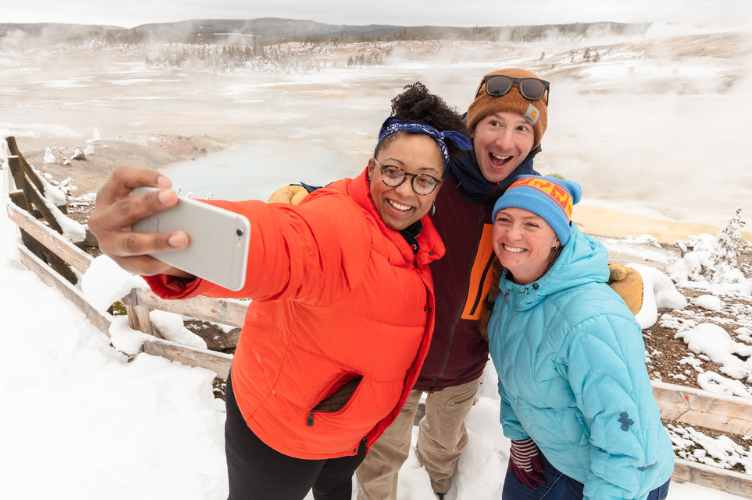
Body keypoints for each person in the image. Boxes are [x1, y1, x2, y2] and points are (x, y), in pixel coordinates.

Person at [270, 68, 642, 500]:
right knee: (380, 452)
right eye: (494, 124)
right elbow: (371, 192)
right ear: (474, 125)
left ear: (534, 141)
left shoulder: (527, 200)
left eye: (522, 128)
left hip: (464, 364)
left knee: (443, 446)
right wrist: (309, 199)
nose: (505, 141)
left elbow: (560, 248)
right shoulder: (433, 176)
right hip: (398, 359)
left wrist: (595, 281)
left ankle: (443, 489)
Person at [87, 83, 472, 500]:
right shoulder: (343, 224)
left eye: (424, 180)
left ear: (437, 190)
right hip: (281, 433)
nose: (403, 190)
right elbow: (287, 242)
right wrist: (179, 247)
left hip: (345, 431)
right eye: (393, 171)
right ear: (371, 167)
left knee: (336, 488)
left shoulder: (416, 242)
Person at [486, 175, 674, 500]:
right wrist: (520, 436)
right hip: (552, 453)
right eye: (504, 220)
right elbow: (514, 372)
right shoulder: (513, 293)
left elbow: (627, 436)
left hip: (617, 481)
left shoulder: (592, 320)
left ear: (558, 237)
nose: (512, 234)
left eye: (531, 224)